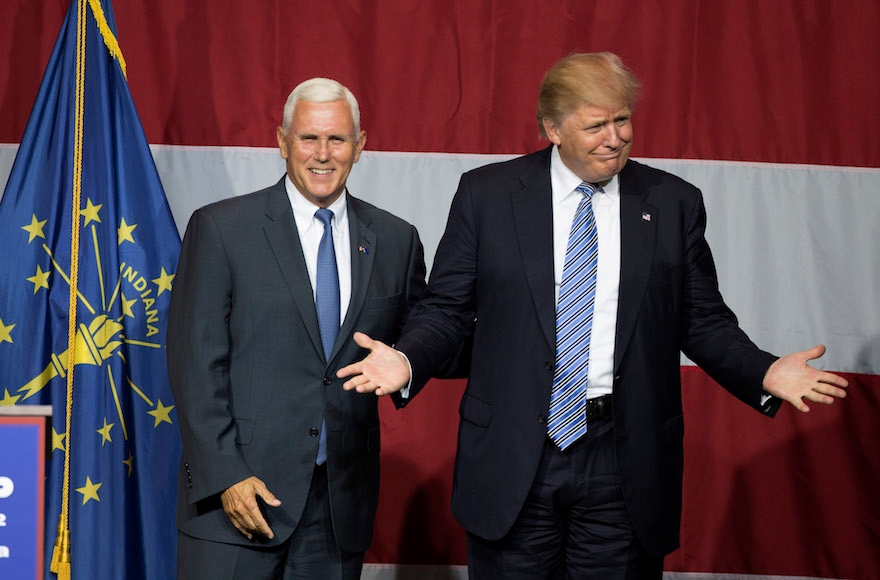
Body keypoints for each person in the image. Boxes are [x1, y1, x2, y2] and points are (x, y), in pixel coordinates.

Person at [337, 53, 848, 578]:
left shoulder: (672, 202)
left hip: (622, 459)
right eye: (595, 125)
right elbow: (446, 310)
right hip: (515, 454)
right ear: (552, 129)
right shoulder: (487, 195)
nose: (615, 137)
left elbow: (700, 319)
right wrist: (408, 358)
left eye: (622, 119)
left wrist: (762, 370)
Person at [167, 77, 426, 579]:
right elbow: (194, 363)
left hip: (337, 509)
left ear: (360, 145)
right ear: (283, 143)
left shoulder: (396, 239)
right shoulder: (221, 229)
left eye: (338, 139)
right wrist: (226, 477)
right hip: (235, 503)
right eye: (309, 138)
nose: (323, 154)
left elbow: (422, 339)